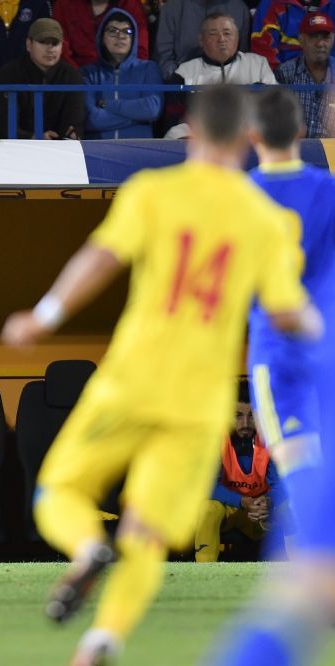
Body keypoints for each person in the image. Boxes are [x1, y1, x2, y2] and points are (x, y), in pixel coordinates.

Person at [1, 84, 320, 666]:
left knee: (57, 492)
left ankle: (87, 548)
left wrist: (43, 315)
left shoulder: (152, 192)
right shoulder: (265, 220)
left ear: (191, 134)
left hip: (131, 380)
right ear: (249, 141)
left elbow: (100, 257)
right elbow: (287, 312)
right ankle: (102, 639)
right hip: (198, 405)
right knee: (147, 532)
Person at [207, 87, 335, 666]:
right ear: (302, 136)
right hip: (324, 352)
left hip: (275, 365)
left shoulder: (238, 198)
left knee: (299, 468)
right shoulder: (328, 191)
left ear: (253, 138)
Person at [194, 383, 286, 563]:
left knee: (288, 506)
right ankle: (204, 569)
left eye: (252, 416)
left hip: (260, 512)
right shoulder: (214, 439)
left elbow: (282, 484)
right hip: (228, 513)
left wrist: (268, 501)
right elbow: (208, 487)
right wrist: (242, 501)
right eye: (237, 415)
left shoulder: (271, 438)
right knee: (208, 508)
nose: (245, 423)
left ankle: (292, 570)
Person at [165, 13, 275, 139]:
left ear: (237, 37)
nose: (221, 39)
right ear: (201, 40)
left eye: (227, 33)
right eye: (213, 34)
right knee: (175, 133)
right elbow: (175, 118)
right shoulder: (185, 71)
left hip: (248, 135)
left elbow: (273, 107)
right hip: (203, 138)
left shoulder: (258, 64)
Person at [0, 17, 84, 140]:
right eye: (44, 42)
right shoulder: (8, 75)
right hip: (16, 150)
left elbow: (74, 123)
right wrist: (34, 138)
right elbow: (5, 126)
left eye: (55, 43)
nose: (50, 49)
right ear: (29, 44)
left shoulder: (72, 76)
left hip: (59, 150)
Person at [81, 8, 162, 139]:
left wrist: (107, 104)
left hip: (138, 151)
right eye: (113, 31)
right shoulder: (88, 73)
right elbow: (91, 120)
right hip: (97, 150)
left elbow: (152, 109)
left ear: (133, 38)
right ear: (102, 37)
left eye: (127, 31)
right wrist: (138, 118)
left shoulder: (149, 68)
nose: (120, 36)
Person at [155, 0, 250, 80]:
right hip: (182, 87)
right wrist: (180, 81)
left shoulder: (239, 8)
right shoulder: (173, 8)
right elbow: (164, 58)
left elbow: (243, 58)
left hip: (228, 87)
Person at [276, 13, 335, 139]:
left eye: (326, 37)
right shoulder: (286, 73)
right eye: (314, 36)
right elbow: (277, 121)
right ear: (301, 39)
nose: (320, 43)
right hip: (297, 150)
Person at [52, 0, 148, 68]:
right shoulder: (64, 4)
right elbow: (60, 50)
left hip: (123, 76)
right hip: (76, 77)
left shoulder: (130, 4)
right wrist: (79, 78)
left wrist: (124, 75)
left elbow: (140, 50)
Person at [251, 0, 335, 71]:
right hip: (284, 81)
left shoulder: (332, 4)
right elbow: (262, 50)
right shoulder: (271, 3)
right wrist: (280, 81)